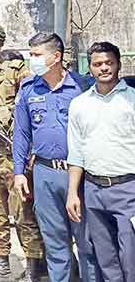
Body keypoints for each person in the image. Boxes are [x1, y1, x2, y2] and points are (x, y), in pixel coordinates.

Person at [13, 32, 100, 282]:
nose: (33, 60)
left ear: (56, 57)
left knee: (86, 242)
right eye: (31, 55)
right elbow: (21, 132)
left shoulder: (82, 86)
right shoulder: (29, 88)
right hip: (45, 173)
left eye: (37, 55)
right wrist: (19, 171)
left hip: (81, 174)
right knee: (55, 242)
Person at [0, 20, 44, 282]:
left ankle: (33, 267)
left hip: (14, 155)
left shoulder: (17, 71)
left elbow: (33, 107)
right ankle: (2, 264)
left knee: (24, 213)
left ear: (0, 43)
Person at [66, 42, 135, 282]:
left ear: (118, 65)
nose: (104, 68)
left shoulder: (132, 101)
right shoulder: (80, 104)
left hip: (129, 190)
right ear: (91, 68)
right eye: (97, 64)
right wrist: (73, 193)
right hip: (93, 191)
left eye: (109, 63)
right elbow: (76, 153)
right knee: (106, 260)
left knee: (131, 259)